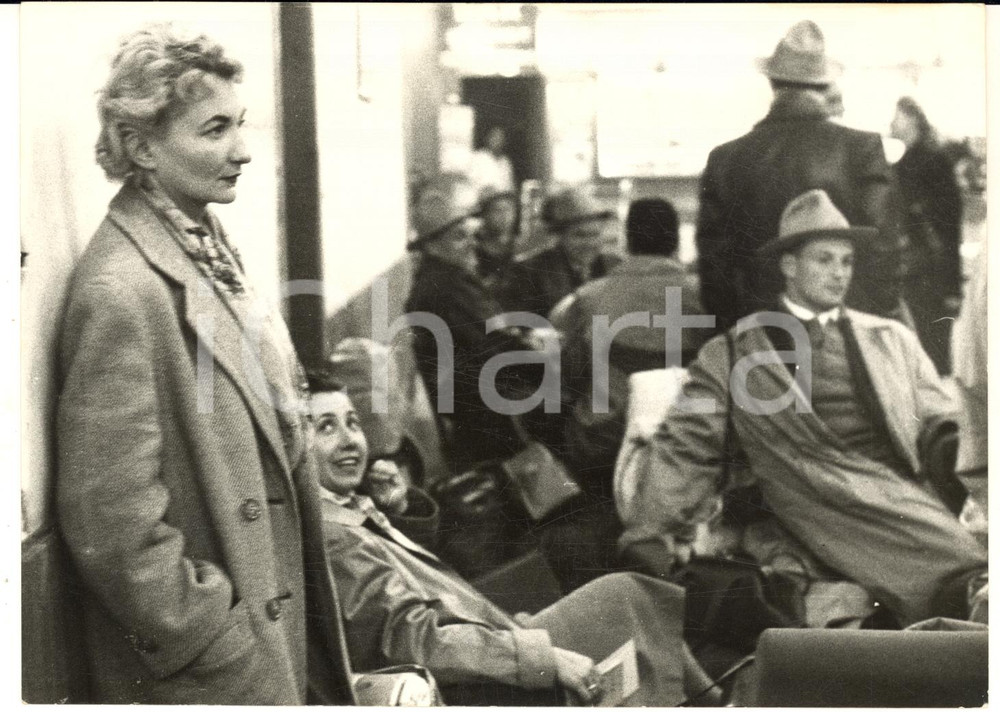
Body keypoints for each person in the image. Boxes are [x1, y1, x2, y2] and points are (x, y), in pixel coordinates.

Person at [54, 24, 352, 704]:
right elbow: (111, 522)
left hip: (271, 617)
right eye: (214, 130)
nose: (243, 151)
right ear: (139, 146)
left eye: (241, 125)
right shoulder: (119, 292)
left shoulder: (204, 246)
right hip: (221, 665)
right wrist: (209, 631)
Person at [616, 189, 987, 628]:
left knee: (959, 565)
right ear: (789, 267)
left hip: (898, 498)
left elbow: (936, 423)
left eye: (846, 261)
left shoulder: (890, 338)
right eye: (824, 260)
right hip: (807, 504)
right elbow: (687, 444)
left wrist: (966, 459)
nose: (839, 274)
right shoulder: (735, 354)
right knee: (951, 579)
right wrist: (648, 536)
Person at [305, 368, 715, 706]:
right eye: (326, 427)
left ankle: (705, 700)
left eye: (352, 423)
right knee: (624, 597)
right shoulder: (335, 535)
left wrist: (399, 511)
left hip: (488, 645)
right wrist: (543, 659)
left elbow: (407, 581)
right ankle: (710, 701)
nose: (349, 440)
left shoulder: (341, 511)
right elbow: (412, 638)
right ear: (295, 445)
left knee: (627, 599)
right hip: (480, 679)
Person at [696, 20, 902, 334]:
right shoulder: (863, 150)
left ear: (773, 84)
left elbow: (715, 270)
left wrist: (737, 336)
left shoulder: (726, 159)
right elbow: (883, 251)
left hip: (759, 338)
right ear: (825, 86)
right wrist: (876, 328)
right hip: (847, 332)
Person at [559, 198, 707, 499]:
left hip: (602, 442)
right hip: (683, 438)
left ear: (628, 240)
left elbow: (566, 373)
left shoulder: (588, 297)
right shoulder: (704, 298)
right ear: (676, 241)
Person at [404, 173, 531, 471]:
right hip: (482, 405)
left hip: (470, 397)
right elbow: (498, 343)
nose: (470, 245)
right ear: (432, 246)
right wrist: (540, 348)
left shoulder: (437, 280)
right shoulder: (447, 286)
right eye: (459, 237)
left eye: (469, 235)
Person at [891, 96, 964, 374]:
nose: (890, 122)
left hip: (927, 270)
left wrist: (951, 285)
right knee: (925, 349)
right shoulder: (910, 162)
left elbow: (948, 224)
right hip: (925, 269)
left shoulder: (930, 162)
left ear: (912, 120)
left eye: (896, 116)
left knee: (926, 350)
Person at [509, 186, 621, 318]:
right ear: (559, 236)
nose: (590, 243)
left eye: (595, 235)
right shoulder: (529, 270)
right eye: (580, 235)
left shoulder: (616, 266)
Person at [474, 187, 521, 309]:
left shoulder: (520, 244)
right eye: (497, 211)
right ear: (484, 215)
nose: (504, 216)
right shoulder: (473, 247)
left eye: (508, 210)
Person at [468, 125, 515, 196]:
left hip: (503, 201)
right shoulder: (478, 157)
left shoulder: (505, 162)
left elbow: (511, 187)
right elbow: (469, 183)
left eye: (500, 138)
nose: (498, 141)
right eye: (495, 137)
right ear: (488, 139)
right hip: (483, 202)